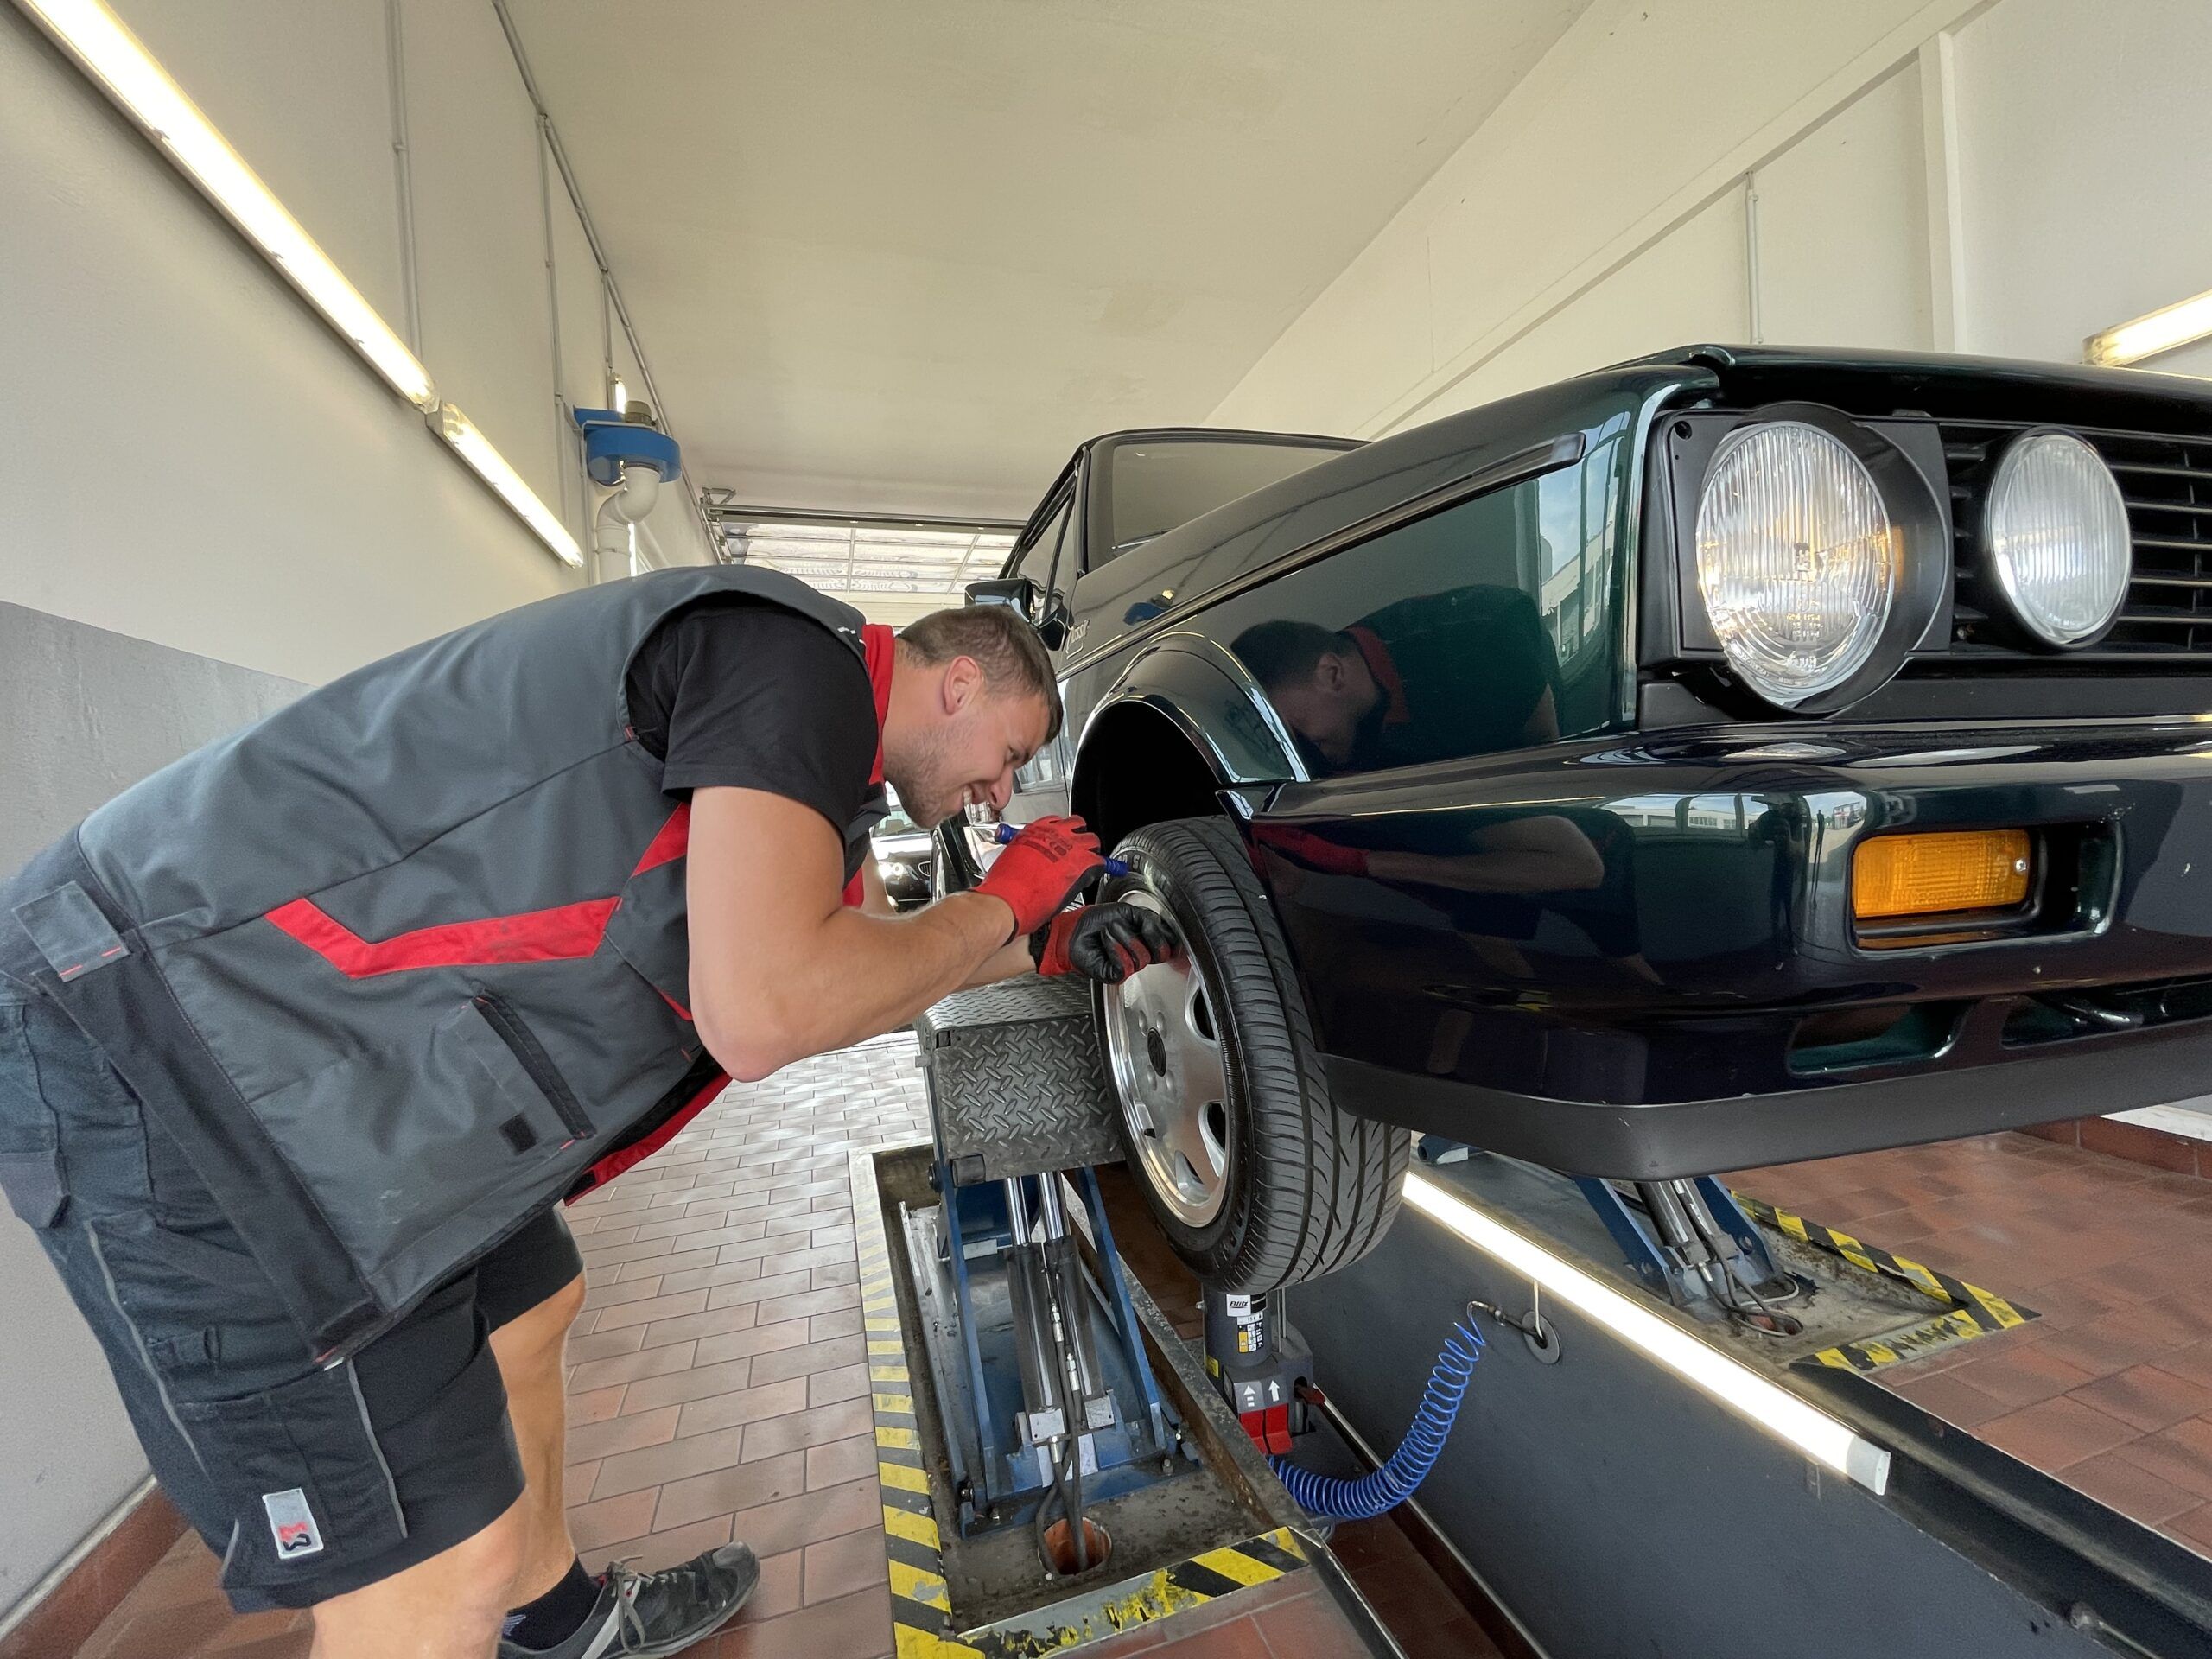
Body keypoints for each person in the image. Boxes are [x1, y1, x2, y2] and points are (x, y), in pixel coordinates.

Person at [0, 568, 1176, 1659]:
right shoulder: (794, 666)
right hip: (173, 1052)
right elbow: (762, 1013)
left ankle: (561, 1624)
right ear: (958, 682)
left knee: (534, 1299)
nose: (1006, 790)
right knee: (434, 1570)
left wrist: (1037, 938)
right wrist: (999, 906)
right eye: (1012, 752)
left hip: (342, 1069)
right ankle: (480, 1603)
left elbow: (848, 966)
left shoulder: (815, 749)